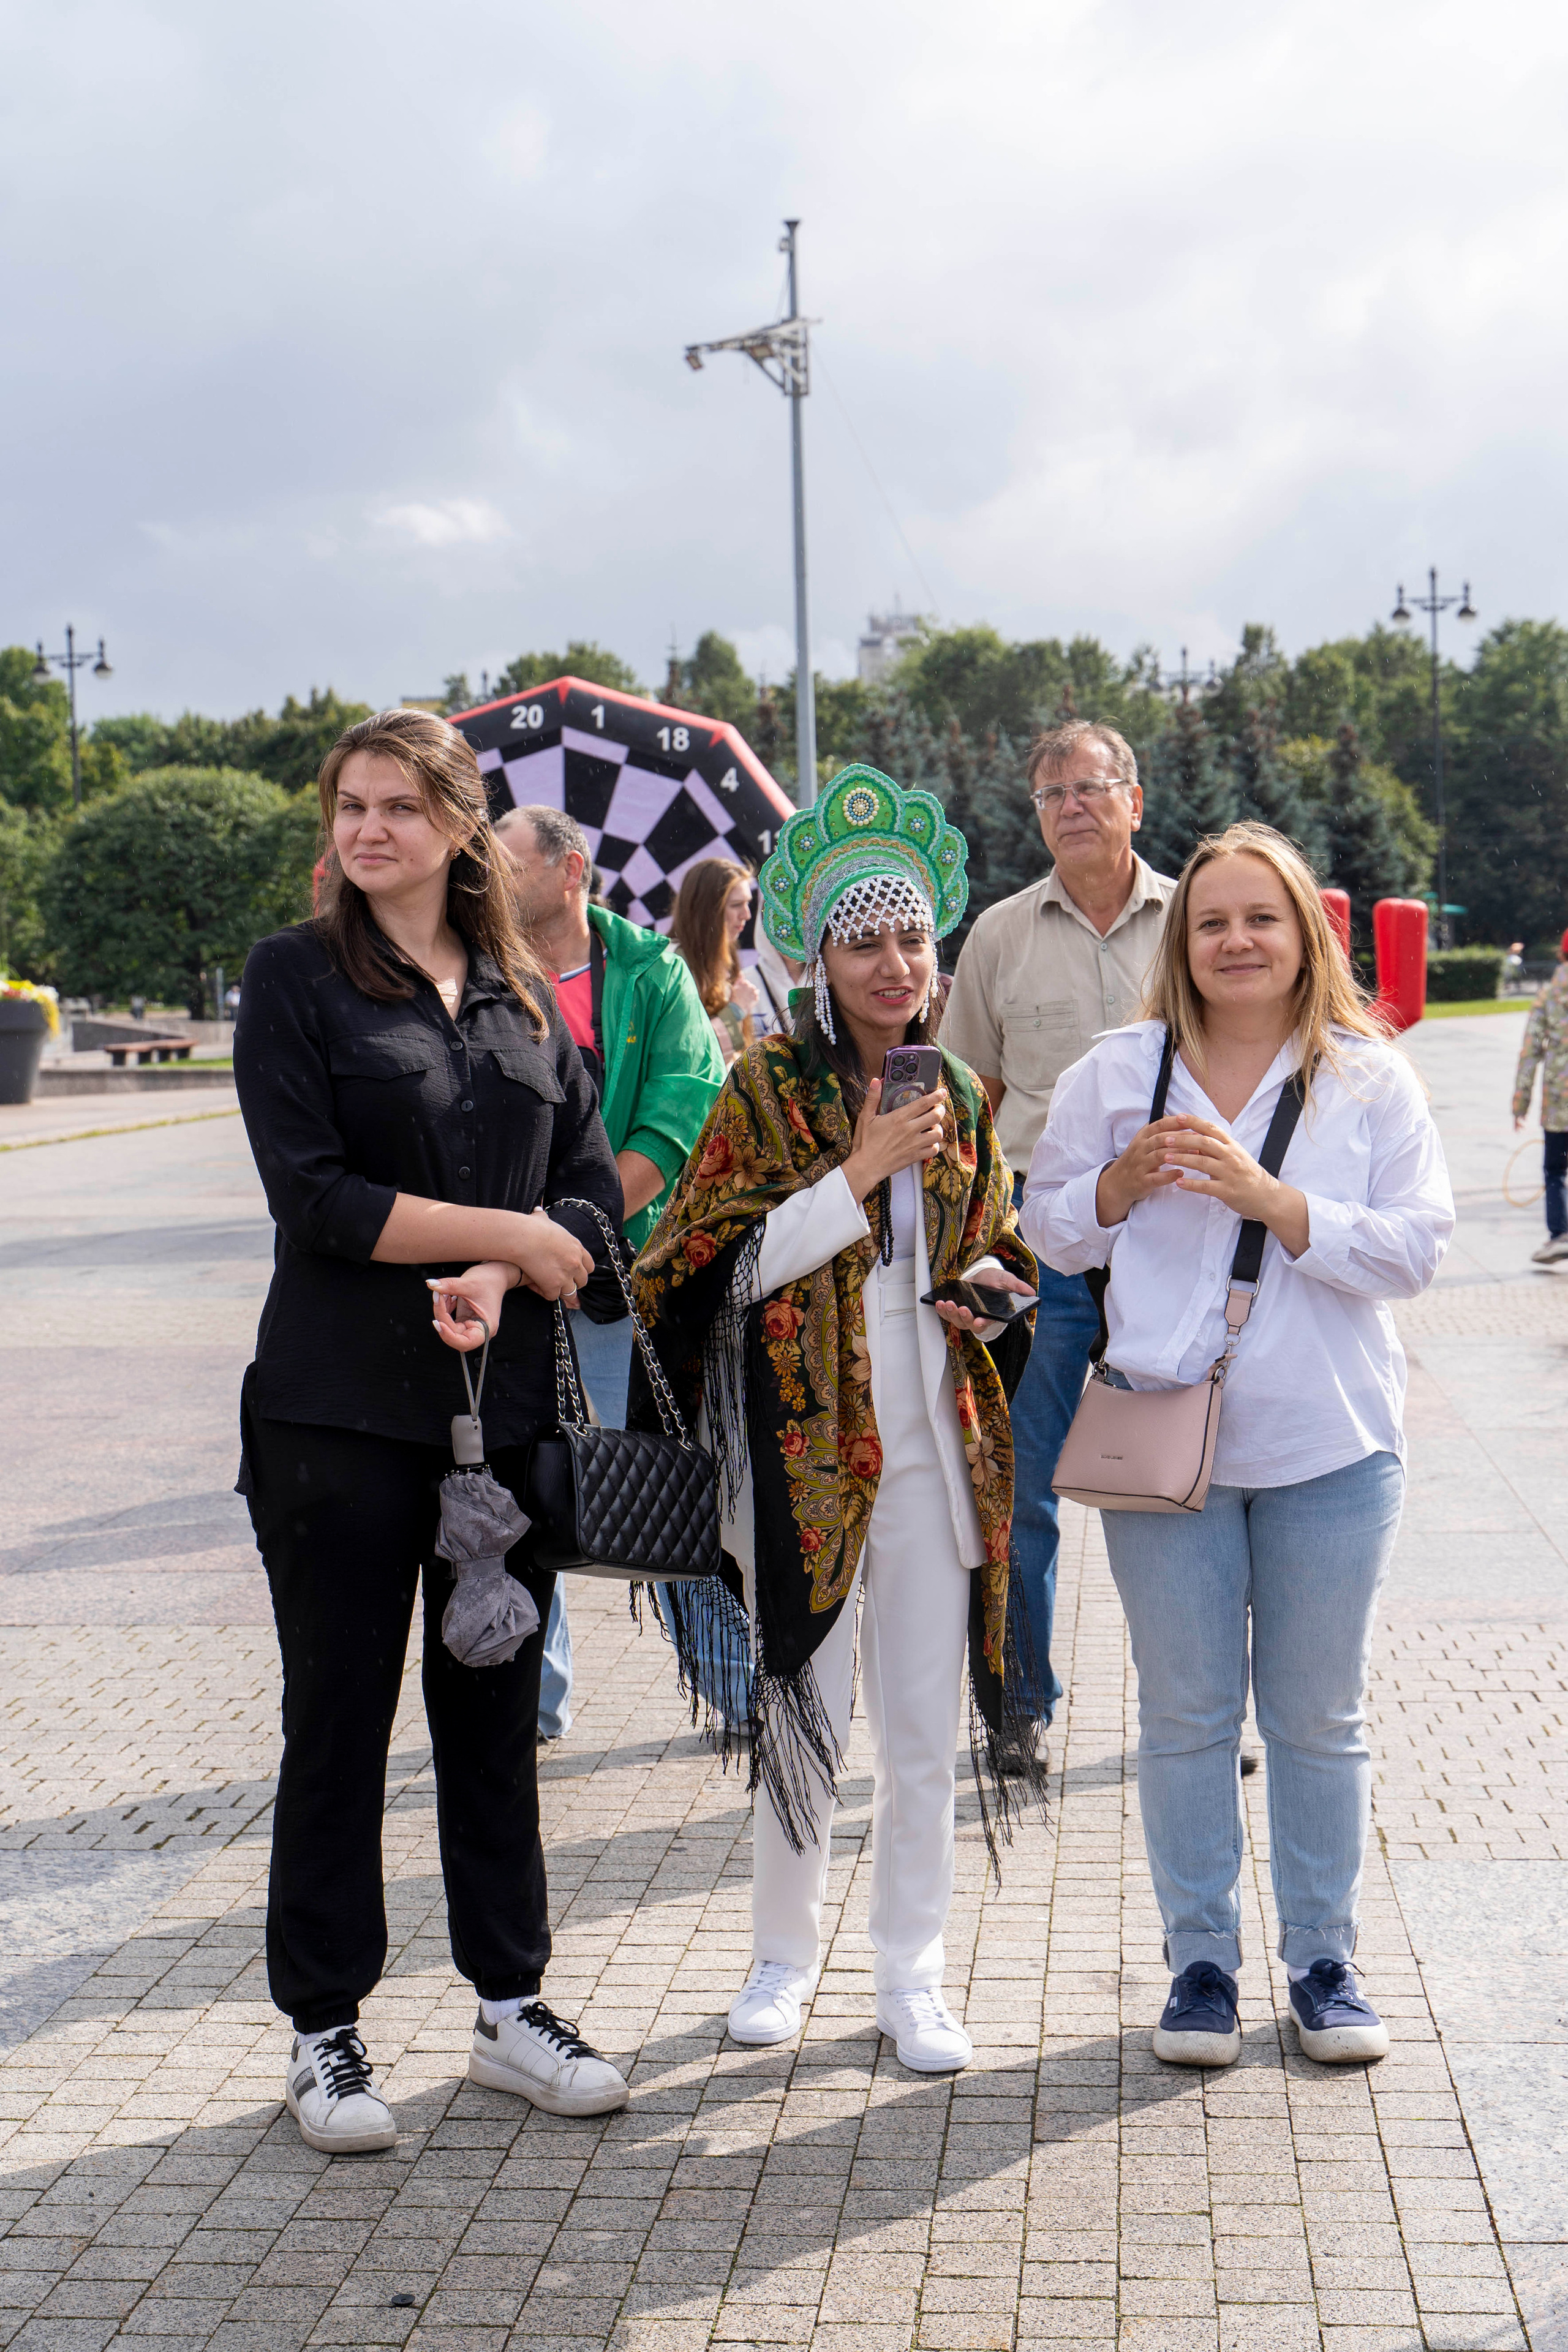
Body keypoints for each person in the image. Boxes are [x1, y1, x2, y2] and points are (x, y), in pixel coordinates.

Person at [235, 708, 630, 2154]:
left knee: (494, 1716)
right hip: (336, 1418)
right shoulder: (295, 980)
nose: (366, 829)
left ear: (459, 828)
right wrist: (510, 1233)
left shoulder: (524, 996)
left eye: (399, 805)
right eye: (349, 804)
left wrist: (516, 1256)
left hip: (498, 1421)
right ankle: (324, 2027)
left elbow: (591, 1184)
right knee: (335, 1722)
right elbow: (318, 1199)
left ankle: (509, 2003)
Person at [1023, 821, 1454, 2068]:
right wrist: (1113, 1189)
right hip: (1162, 1442)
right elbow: (1050, 1229)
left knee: (1316, 1718)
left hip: (1329, 1445)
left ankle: (1323, 1961)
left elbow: (1415, 1249)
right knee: (1183, 1714)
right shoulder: (1118, 1071)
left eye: (1259, 917)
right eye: (1209, 921)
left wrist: (1273, 1203)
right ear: (1181, 941)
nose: (1233, 941)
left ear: (1302, 933)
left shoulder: (1364, 1076)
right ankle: (1198, 1964)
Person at [631, 766, 1040, 2073]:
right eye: (862, 939)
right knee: (800, 1713)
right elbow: (704, 1268)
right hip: (800, 1457)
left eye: (912, 937)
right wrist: (856, 1172)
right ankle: (779, 1956)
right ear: (817, 953)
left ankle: (909, 1972)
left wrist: (991, 1295)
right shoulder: (768, 1091)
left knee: (920, 1730)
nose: (892, 963)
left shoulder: (959, 1098)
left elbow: (998, 1250)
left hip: (930, 1456)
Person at [940, 721, 1175, 1746]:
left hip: (1177, 1237)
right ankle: (1019, 1706)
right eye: (1052, 794)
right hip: (1031, 1237)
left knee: (1188, 1477)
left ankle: (1194, 1705)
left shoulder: (1194, 922)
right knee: (1015, 1479)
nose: (1072, 806)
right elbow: (968, 1098)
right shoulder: (997, 936)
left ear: (1134, 796)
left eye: (1090, 787)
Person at [496, 805, 729, 1735]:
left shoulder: (650, 970)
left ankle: (734, 1689)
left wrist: (577, 1233)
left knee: (669, 1470)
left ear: (569, 870)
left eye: (505, 865)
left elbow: (679, 1118)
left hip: (632, 1270)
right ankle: (529, 1706)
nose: (489, 882)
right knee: (525, 1485)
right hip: (511, 1273)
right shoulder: (480, 967)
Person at [671, 858, 763, 1065]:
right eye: (736, 905)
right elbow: (687, 1050)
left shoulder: (722, 958)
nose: (747, 915)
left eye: (748, 904)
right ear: (707, 910)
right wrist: (737, 1010)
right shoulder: (675, 964)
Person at [1512, 927, 1568, 1266]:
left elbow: (1530, 1051)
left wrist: (1520, 1105)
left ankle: (1560, 1234)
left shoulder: (1549, 994)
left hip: (1560, 1102)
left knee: (1555, 1170)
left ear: (1561, 954)